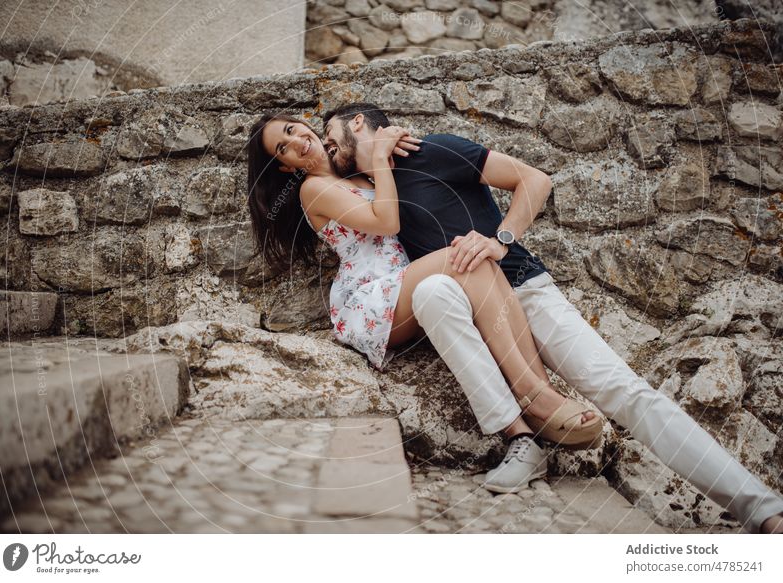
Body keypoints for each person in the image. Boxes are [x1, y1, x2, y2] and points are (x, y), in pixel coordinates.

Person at [320, 102, 783, 534]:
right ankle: (524, 438)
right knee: (434, 291)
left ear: (358, 121)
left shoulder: (434, 149)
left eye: (329, 135)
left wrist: (500, 239)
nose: (326, 147)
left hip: (524, 290)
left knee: (623, 390)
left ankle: (763, 510)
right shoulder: (374, 190)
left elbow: (535, 180)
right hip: (468, 309)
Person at [246, 112, 604, 489]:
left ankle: (535, 410)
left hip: (403, 281)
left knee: (473, 256)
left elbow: (379, 161)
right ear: (285, 168)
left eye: (291, 130)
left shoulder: (351, 172)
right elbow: (386, 222)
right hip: (372, 298)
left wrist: (384, 146)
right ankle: (536, 399)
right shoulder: (312, 188)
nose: (297, 142)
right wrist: (381, 159)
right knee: (464, 254)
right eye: (282, 149)